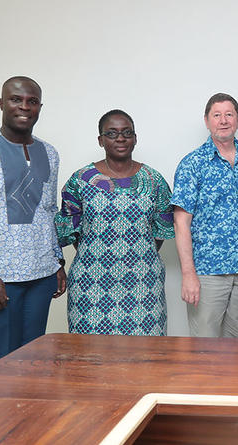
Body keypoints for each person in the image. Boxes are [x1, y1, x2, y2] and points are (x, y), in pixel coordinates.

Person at [55, 110, 174, 335]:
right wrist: (99, 254)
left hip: (143, 283)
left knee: (144, 357)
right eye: (112, 133)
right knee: (91, 358)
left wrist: (136, 253)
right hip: (91, 284)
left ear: (135, 138)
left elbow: (162, 229)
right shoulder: (81, 180)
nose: (120, 138)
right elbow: (68, 229)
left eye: (126, 132)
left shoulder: (153, 179)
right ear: (101, 140)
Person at [171, 93, 238, 337]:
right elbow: (181, 222)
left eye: (229, 114)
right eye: (217, 115)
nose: (223, 120)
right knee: (205, 351)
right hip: (206, 273)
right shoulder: (193, 163)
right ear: (207, 121)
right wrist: (188, 275)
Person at [0, 76, 66, 358]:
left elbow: (49, 211)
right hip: (4, 275)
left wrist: (57, 261)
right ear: (1, 103)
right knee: (4, 355)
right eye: (16, 99)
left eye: (32, 101)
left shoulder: (49, 153)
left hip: (41, 273)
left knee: (33, 356)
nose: (24, 107)